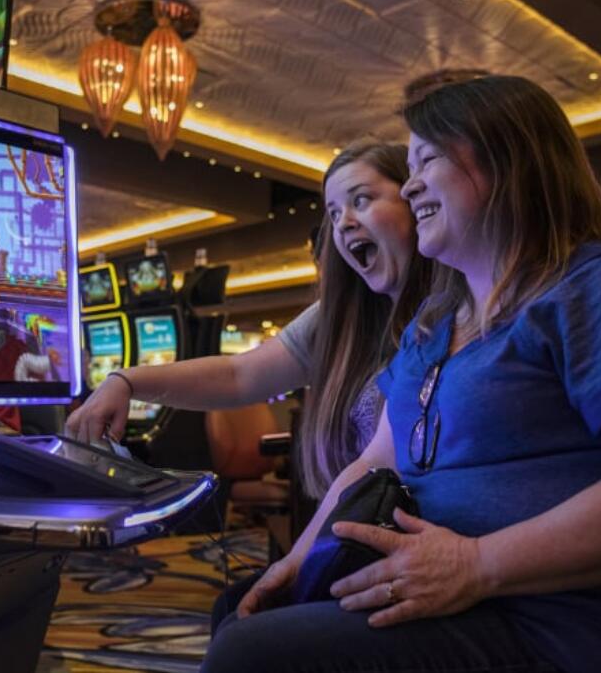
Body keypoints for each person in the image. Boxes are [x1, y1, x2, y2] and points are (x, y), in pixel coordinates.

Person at [204, 75, 601, 673]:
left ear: (507, 159)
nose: (410, 185)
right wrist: (300, 562)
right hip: (459, 600)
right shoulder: (435, 324)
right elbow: (374, 463)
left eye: (427, 159)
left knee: (256, 653)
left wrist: (475, 564)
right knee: (244, 609)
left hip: (570, 623)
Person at [67, 140, 436, 499]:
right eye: (334, 213)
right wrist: (125, 380)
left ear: (416, 200)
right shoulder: (341, 317)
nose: (344, 224)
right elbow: (239, 376)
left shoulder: (462, 309)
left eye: (361, 200)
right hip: (363, 522)